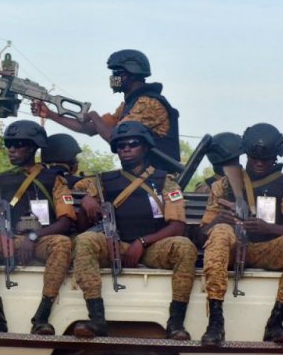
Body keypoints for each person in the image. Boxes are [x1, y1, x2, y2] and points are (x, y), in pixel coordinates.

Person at [70, 121, 197, 338]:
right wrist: (85, 205)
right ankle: (97, 318)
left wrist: (142, 242)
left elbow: (177, 226)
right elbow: (83, 228)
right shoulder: (101, 182)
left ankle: (175, 322)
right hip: (114, 244)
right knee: (83, 241)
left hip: (152, 246)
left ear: (145, 147)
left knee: (185, 247)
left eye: (133, 144)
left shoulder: (165, 181)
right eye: (120, 146)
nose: (126, 149)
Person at [200, 123, 283, 345]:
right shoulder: (223, 186)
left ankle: (275, 322)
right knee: (220, 232)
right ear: (246, 154)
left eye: (266, 159)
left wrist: (269, 229)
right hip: (232, 251)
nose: (260, 163)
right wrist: (218, 221)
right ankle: (215, 323)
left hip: (269, 251)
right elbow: (200, 234)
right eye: (254, 158)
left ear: (276, 156)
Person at [0, 120, 76, 335]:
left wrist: (33, 237)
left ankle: (42, 317)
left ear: (34, 147)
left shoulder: (54, 179)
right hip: (7, 238)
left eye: (19, 145)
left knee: (62, 243)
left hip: (40, 239)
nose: (12, 150)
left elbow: (66, 221)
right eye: (9, 145)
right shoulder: (0, 179)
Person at [32, 49, 180, 163]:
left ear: (132, 74)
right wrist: (50, 114)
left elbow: (116, 139)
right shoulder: (129, 106)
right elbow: (89, 129)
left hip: (158, 177)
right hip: (142, 174)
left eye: (117, 73)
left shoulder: (148, 104)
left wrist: (94, 115)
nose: (113, 78)